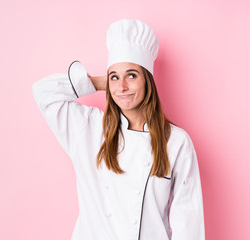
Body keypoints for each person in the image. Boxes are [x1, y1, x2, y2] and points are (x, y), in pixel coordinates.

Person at [32, 19, 205, 240]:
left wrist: (116, 78)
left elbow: (188, 220)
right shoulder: (88, 128)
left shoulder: (176, 142)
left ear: (148, 81)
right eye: (115, 77)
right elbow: (43, 92)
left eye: (131, 75)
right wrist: (100, 83)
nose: (122, 86)